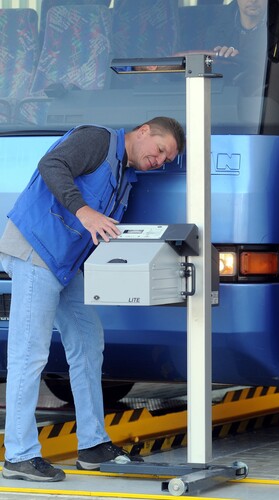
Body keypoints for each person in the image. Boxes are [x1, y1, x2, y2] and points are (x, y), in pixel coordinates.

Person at [0, 116, 185, 482]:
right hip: (37, 250)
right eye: (160, 150)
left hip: (65, 263)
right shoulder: (97, 139)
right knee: (29, 351)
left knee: (87, 341)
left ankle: (93, 445)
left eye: (165, 161)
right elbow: (51, 165)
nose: (158, 161)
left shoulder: (123, 176)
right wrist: (84, 210)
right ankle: (19, 455)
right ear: (144, 131)